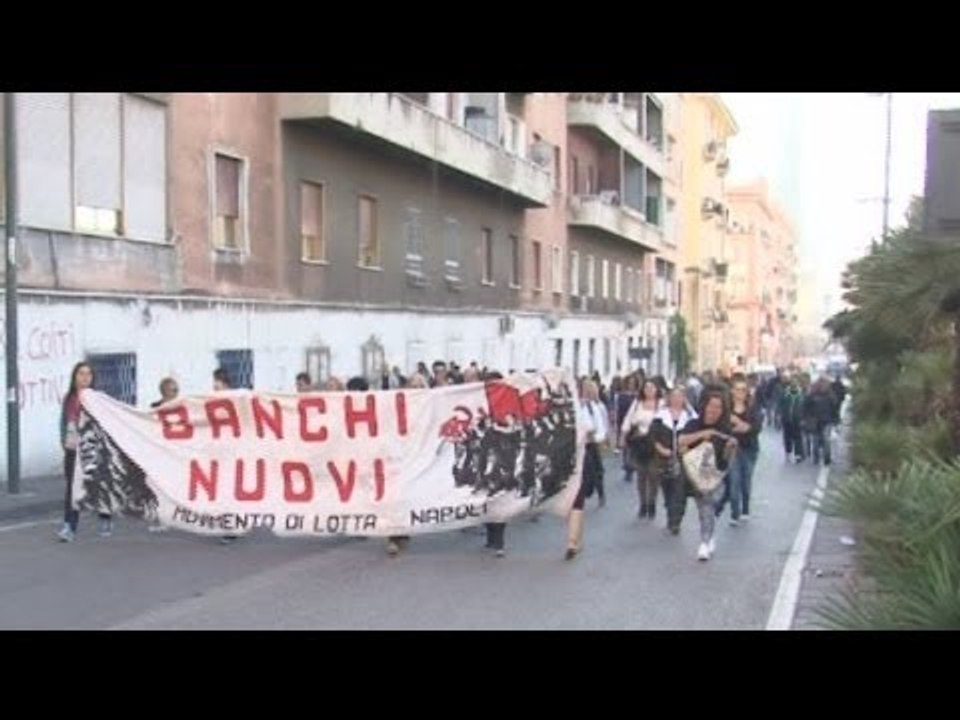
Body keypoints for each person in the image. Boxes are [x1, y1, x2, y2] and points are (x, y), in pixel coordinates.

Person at [57, 362, 113, 542]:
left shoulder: (97, 398)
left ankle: (105, 517)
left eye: (88, 374)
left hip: (92, 449)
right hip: (73, 449)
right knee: (72, 490)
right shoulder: (69, 398)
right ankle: (69, 526)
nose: (85, 377)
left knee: (98, 485)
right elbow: (64, 421)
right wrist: (64, 443)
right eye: (81, 373)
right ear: (75, 377)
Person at [678, 392, 737, 561]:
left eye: (718, 407)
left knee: (709, 506)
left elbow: (727, 459)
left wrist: (730, 448)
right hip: (697, 473)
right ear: (705, 406)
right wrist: (704, 434)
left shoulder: (725, 429)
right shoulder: (693, 424)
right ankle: (705, 541)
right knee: (705, 506)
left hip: (717, 474)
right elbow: (681, 441)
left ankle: (708, 537)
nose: (714, 410)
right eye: (712, 406)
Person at [565, 379, 608, 560]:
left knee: (580, 493)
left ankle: (574, 540)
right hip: (567, 452)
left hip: (587, 451)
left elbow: (601, 431)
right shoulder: (565, 408)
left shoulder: (593, 408)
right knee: (572, 495)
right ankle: (573, 540)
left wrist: (590, 436)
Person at [716, 376, 763, 525]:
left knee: (746, 481)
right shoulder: (726, 409)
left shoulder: (752, 408)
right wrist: (740, 428)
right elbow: (722, 429)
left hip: (750, 449)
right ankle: (734, 513)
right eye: (737, 390)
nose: (740, 393)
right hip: (732, 450)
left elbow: (755, 428)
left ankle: (745, 509)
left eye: (743, 390)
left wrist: (739, 423)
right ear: (732, 391)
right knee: (734, 481)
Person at [651, 387, 697, 535]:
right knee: (667, 487)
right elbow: (653, 436)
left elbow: (697, 437)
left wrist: (688, 448)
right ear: (669, 399)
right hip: (664, 458)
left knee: (680, 489)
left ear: (684, 399)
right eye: (674, 397)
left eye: (680, 396)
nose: (677, 400)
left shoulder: (690, 417)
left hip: (684, 458)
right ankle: (670, 510)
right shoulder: (660, 416)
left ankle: (675, 521)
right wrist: (661, 449)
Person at [622, 379, 663, 519]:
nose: (649, 390)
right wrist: (624, 435)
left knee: (654, 475)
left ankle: (652, 503)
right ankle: (642, 504)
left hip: (655, 444)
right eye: (646, 388)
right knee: (641, 475)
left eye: (652, 388)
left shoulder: (661, 404)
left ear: (656, 389)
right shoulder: (637, 404)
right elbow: (628, 420)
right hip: (639, 443)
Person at [780, 376, 805, 463]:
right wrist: (781, 415)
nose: (794, 383)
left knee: (798, 437)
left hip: (798, 419)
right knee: (787, 437)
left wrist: (804, 418)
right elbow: (781, 404)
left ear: (798, 383)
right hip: (787, 419)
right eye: (792, 381)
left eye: (795, 381)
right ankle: (788, 452)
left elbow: (806, 407)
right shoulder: (785, 393)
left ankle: (798, 455)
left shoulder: (802, 393)